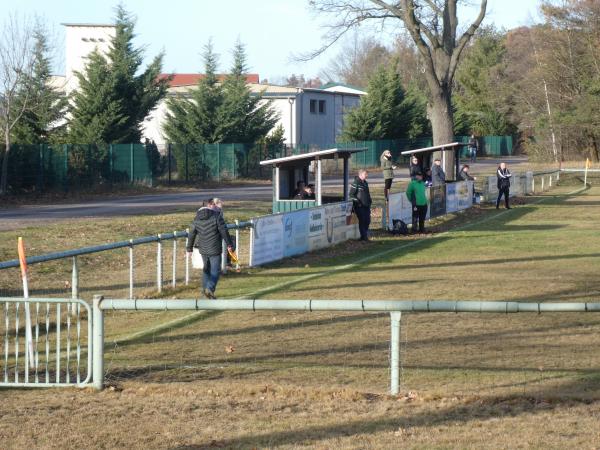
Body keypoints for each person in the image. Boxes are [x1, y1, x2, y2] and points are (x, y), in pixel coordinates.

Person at [186, 198, 234, 299]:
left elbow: (191, 234)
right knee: (215, 270)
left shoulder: (196, 218)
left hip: (203, 249)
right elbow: (224, 231)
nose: (216, 206)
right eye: (214, 204)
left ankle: (205, 292)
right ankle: (210, 289)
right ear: (209, 205)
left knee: (206, 270)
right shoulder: (217, 217)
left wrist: (189, 249)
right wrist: (230, 244)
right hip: (215, 248)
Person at [349, 169, 372, 241]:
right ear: (361, 174)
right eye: (365, 174)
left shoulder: (365, 183)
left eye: (367, 174)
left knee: (368, 220)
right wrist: (358, 201)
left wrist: (370, 200)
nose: (367, 175)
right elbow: (351, 195)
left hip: (366, 205)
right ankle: (364, 237)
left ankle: (363, 236)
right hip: (359, 206)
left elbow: (367, 193)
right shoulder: (356, 183)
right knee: (362, 220)